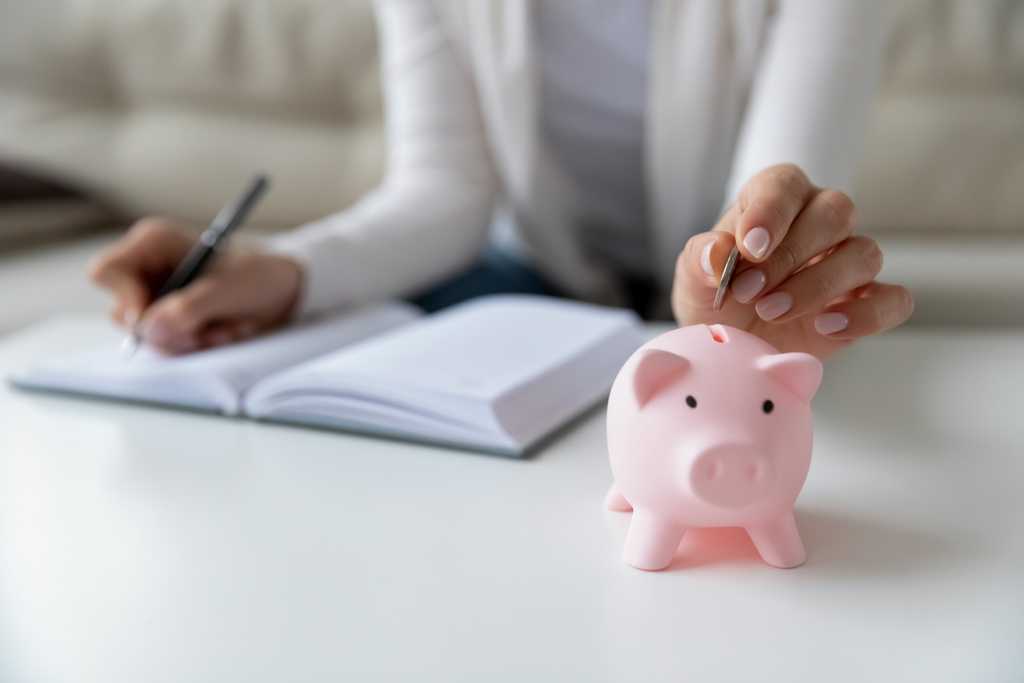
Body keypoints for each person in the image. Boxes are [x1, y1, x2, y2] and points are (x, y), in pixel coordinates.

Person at [89, 0, 913, 361]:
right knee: (337, 358)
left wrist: (747, 278)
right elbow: (444, 191)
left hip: (717, 293)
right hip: (530, 271)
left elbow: (782, 185)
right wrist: (287, 271)